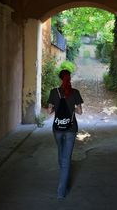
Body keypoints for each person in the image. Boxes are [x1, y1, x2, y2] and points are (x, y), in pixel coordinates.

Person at [48, 69, 83, 199]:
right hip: (71, 128)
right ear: (69, 78)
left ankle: (62, 174)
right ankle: (61, 192)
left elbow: (49, 111)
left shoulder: (53, 92)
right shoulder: (75, 93)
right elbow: (80, 112)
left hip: (57, 128)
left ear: (60, 79)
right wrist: (71, 107)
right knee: (66, 158)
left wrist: (57, 106)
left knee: (61, 153)